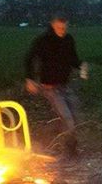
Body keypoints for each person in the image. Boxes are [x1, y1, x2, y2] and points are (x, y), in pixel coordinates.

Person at [25, 13, 88, 159]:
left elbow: (73, 59)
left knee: (75, 117)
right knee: (68, 119)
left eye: (64, 28)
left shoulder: (68, 39)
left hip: (66, 86)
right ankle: (68, 152)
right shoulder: (43, 41)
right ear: (53, 25)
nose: (62, 31)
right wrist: (29, 79)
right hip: (50, 87)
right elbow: (29, 58)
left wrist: (81, 66)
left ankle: (56, 139)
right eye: (59, 28)